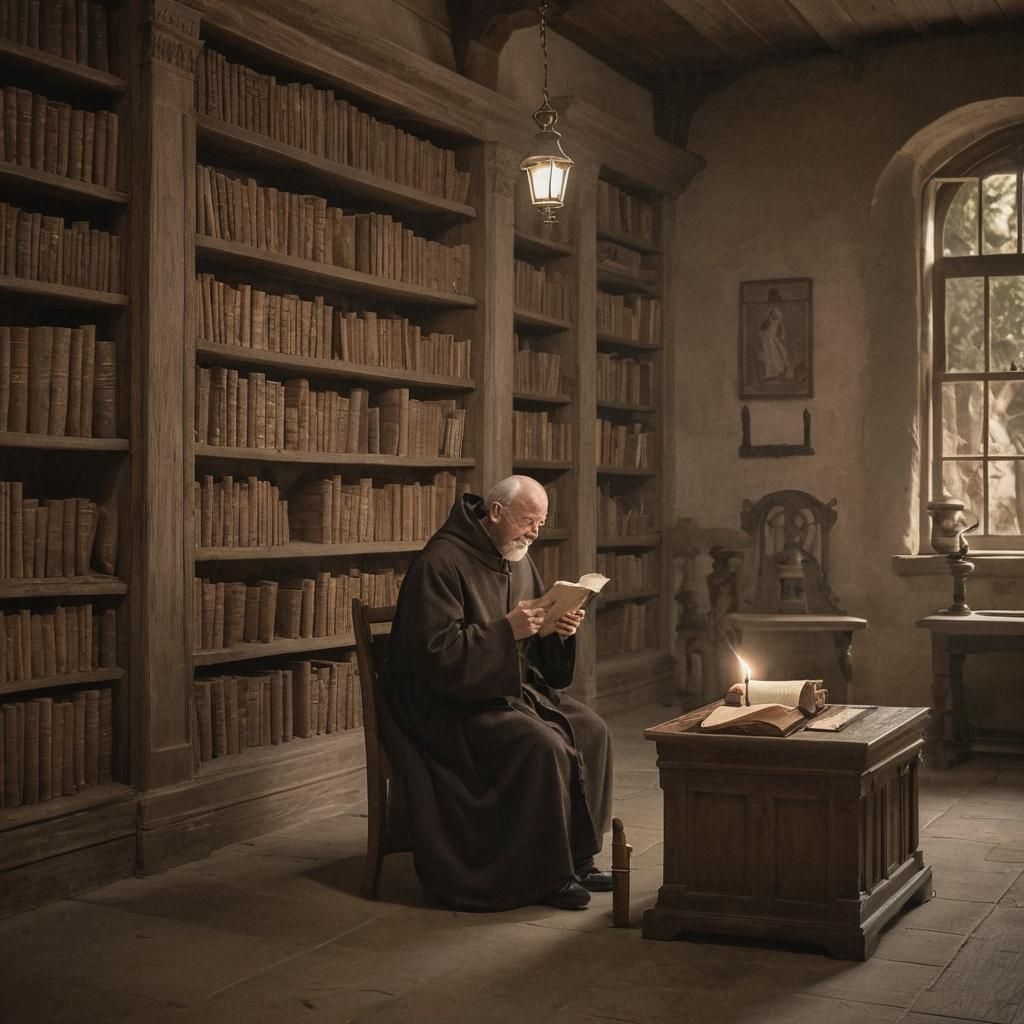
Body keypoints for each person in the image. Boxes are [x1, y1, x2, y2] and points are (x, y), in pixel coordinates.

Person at [380, 475, 614, 911]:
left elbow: (533, 644)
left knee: (593, 729)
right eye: (527, 521)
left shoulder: (517, 556)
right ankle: (545, 876)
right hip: (448, 704)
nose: (534, 533)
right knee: (541, 746)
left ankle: (576, 859)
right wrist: (506, 631)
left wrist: (557, 631)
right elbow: (435, 654)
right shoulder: (440, 561)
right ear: (496, 512)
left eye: (540, 524)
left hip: (505, 690)